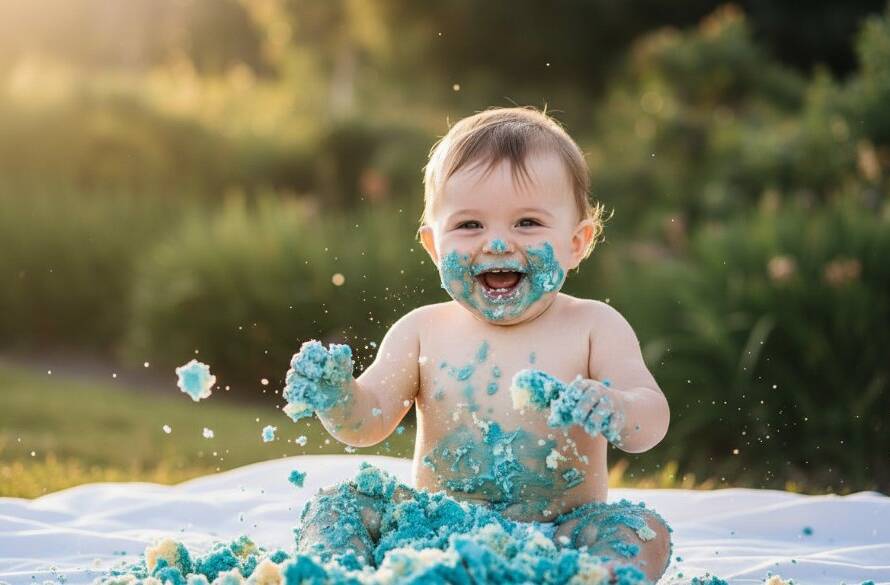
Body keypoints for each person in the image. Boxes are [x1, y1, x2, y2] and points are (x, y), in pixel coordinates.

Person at [286, 106, 672, 583]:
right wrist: (338, 396)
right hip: (430, 534)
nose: (496, 243)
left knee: (643, 530)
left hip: (560, 537)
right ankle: (334, 574)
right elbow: (367, 423)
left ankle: (591, 578)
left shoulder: (594, 326)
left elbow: (650, 419)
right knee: (340, 503)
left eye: (527, 222)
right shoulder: (422, 329)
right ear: (433, 246)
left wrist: (614, 407)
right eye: (469, 225)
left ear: (577, 242)